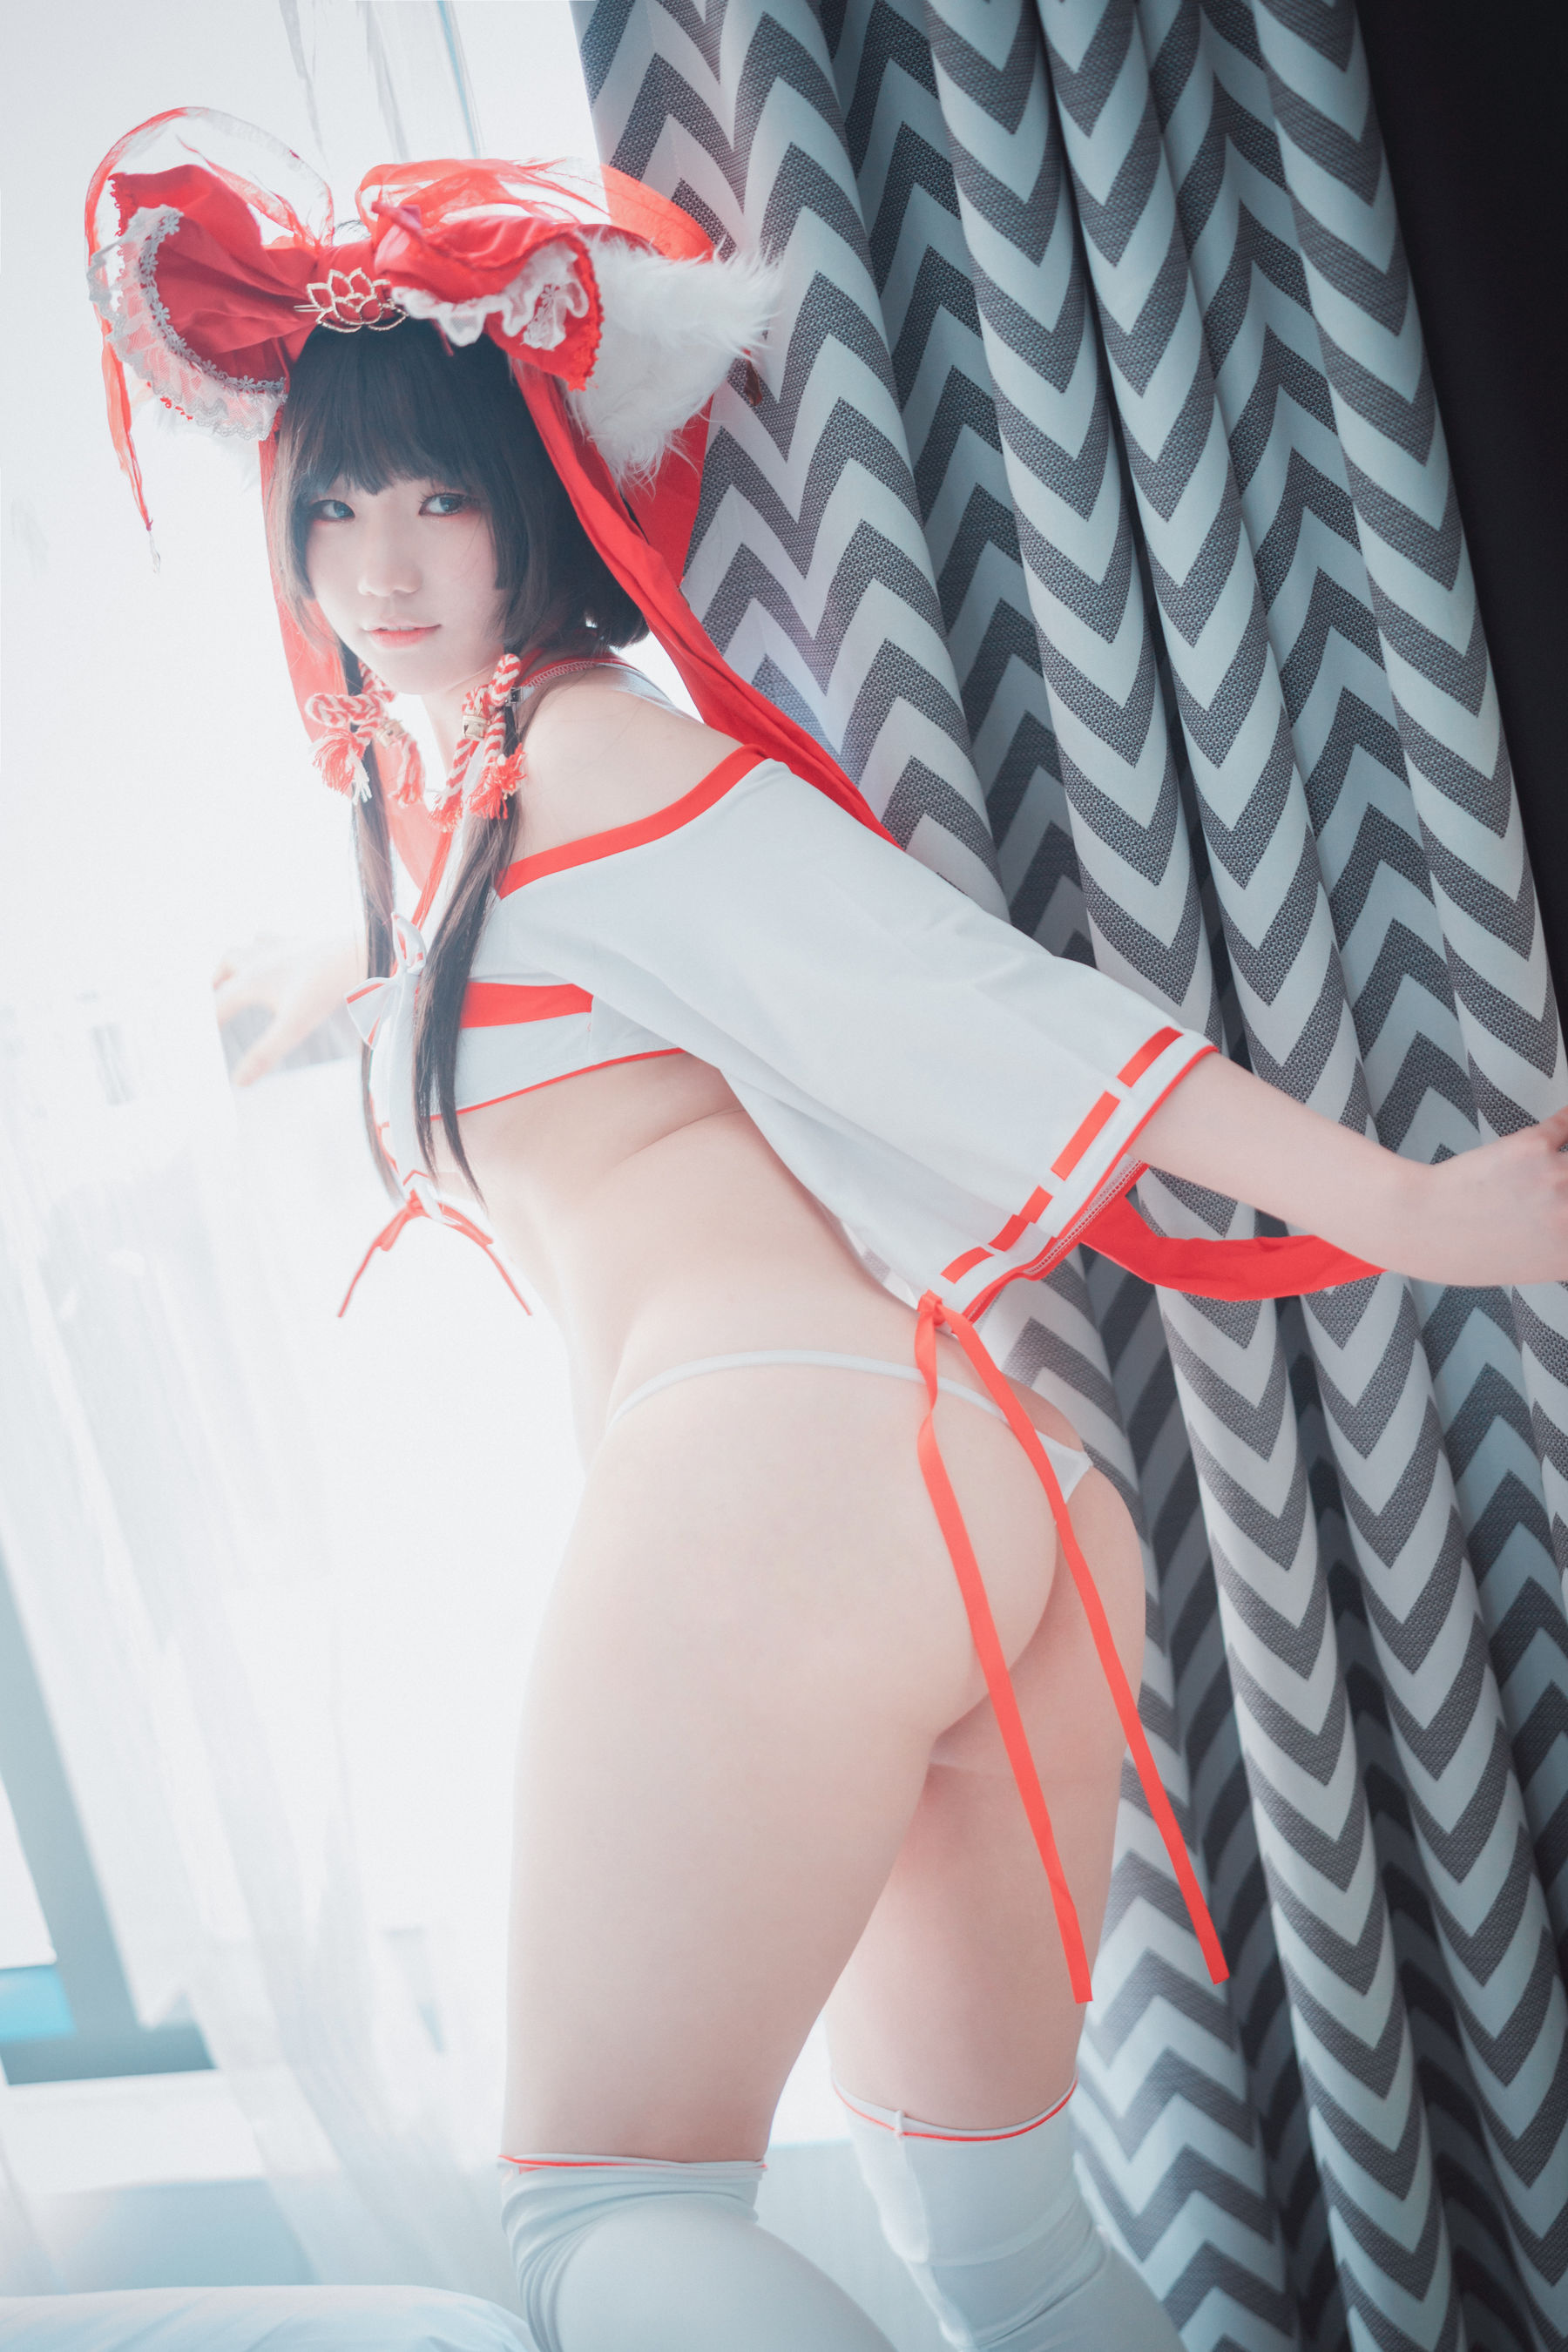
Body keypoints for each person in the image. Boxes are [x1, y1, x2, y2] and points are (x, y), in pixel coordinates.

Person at [85, 114, 1568, 2352]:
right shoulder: (473, 806)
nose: (381, 564)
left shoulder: (590, 762)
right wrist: (330, 985)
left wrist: (1408, 1212)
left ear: (536, 508)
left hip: (773, 1478)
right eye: (335, 510)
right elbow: (502, 981)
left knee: (599, 2212)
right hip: (965, 1496)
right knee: (1009, 2255)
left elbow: (961, 998)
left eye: (441, 501)